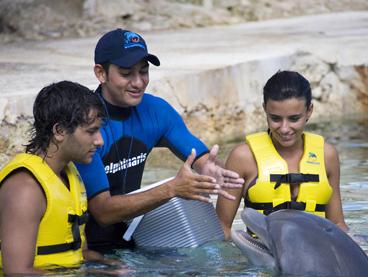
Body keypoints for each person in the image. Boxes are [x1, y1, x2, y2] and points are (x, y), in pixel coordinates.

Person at [75, 28, 244, 252]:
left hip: (131, 241)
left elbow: (200, 157)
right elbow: (103, 212)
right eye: (126, 73)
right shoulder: (85, 125)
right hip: (84, 251)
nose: (138, 82)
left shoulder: (155, 110)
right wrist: (171, 189)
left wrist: (210, 169)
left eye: (143, 71)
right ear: (101, 73)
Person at [216, 70, 348, 240]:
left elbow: (338, 224)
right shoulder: (243, 158)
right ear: (264, 110)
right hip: (264, 259)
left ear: (309, 111)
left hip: (317, 257)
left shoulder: (327, 155)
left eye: (294, 118)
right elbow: (222, 227)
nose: (285, 128)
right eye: (275, 118)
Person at [0, 81, 109, 274]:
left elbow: (74, 253)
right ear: (59, 131)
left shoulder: (70, 174)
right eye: (91, 131)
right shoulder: (25, 188)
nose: (99, 141)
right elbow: (17, 272)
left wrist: (110, 266)